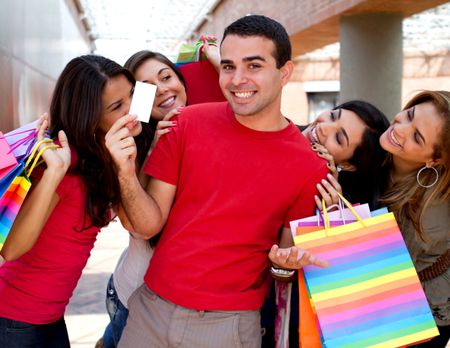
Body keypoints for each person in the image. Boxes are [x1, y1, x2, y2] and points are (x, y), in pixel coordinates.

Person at [107, 15, 329, 347]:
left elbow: (282, 258)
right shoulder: (185, 123)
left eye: (253, 65)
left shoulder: (310, 166)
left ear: (284, 73)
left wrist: (286, 265)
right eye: (228, 66)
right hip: (150, 309)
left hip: (228, 327)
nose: (238, 79)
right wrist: (124, 171)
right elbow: (147, 225)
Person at [0, 54, 150, 347]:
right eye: (116, 106)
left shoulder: (103, 152)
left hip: (51, 316)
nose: (132, 109)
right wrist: (55, 171)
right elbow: (12, 249)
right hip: (16, 320)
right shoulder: (62, 162)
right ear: (89, 115)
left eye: (132, 95)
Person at [99, 42, 220, 348]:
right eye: (148, 88)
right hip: (135, 297)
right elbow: (138, 224)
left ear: (181, 81)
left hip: (186, 304)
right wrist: (152, 152)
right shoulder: (131, 146)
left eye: (166, 77)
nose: (163, 89)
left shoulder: (207, 130)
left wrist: (219, 61)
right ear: (139, 102)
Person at [261, 99, 390, 347]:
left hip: (280, 318)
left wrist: (332, 218)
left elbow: (294, 273)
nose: (323, 127)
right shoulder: (274, 133)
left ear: (349, 165)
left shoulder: (339, 206)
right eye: (333, 115)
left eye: (339, 139)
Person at [379, 90, 450, 347]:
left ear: (435, 159)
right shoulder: (383, 153)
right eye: (409, 115)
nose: (401, 129)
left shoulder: (431, 212)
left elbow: (386, 274)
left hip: (422, 316)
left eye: (417, 137)